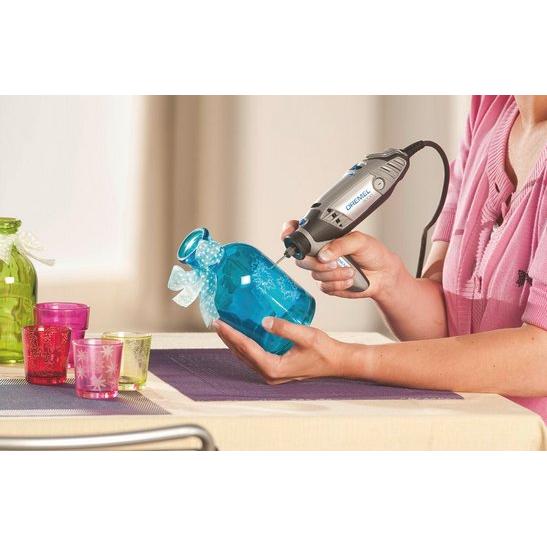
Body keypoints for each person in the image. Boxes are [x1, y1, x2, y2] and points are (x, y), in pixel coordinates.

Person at [214, 95, 547, 422]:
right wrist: (390, 282)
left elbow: (539, 359)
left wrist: (345, 360)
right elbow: (444, 333)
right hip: (464, 427)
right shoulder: (489, 106)